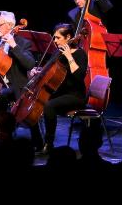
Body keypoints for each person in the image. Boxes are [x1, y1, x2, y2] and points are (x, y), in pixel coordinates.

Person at [30, 24, 88, 154]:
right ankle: (37, 142)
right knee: (34, 104)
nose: (54, 41)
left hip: (75, 96)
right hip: (59, 92)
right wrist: (38, 71)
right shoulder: (57, 52)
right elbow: (50, 71)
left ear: (68, 37)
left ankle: (49, 144)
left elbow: (79, 77)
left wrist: (69, 56)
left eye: (57, 38)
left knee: (49, 106)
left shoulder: (80, 53)